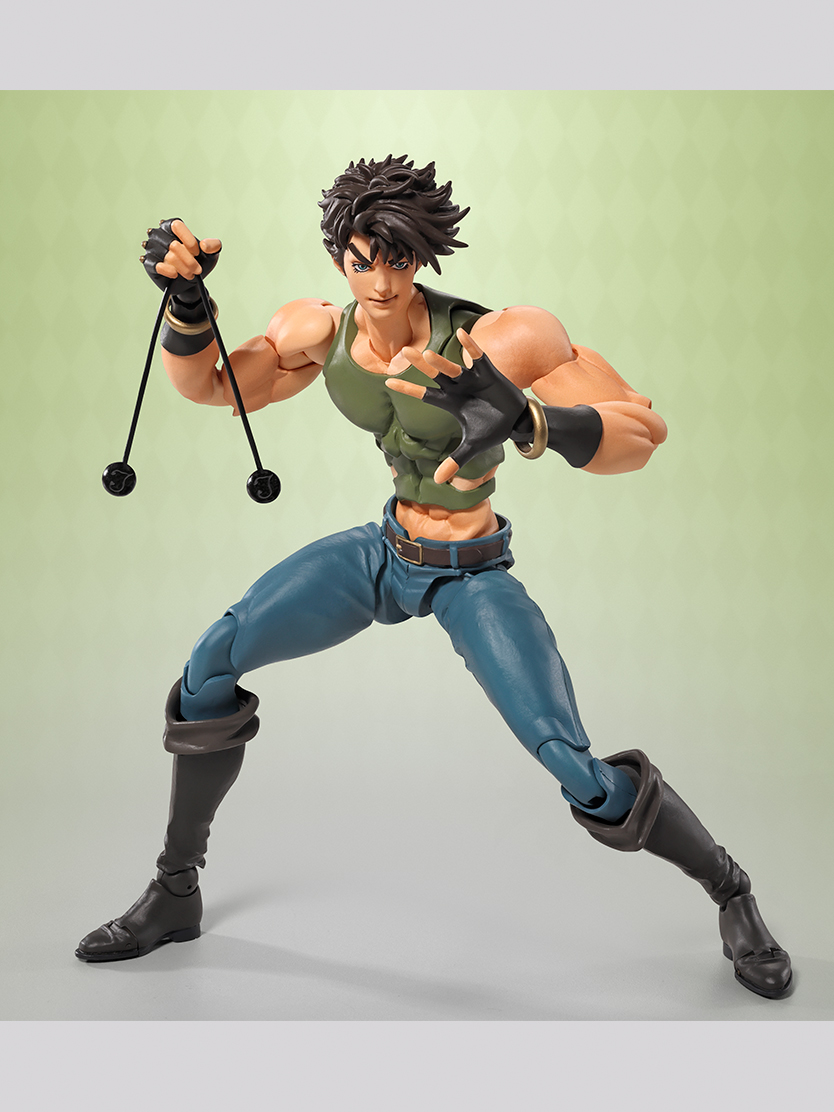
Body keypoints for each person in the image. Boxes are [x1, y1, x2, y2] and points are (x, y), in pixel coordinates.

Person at [76, 155, 791, 1000]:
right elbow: (215, 387)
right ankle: (175, 889)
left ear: (422, 256)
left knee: (575, 766)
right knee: (209, 666)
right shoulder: (318, 330)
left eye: (398, 260)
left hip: (470, 571)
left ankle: (730, 889)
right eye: (361, 261)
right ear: (338, 256)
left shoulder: (504, 339)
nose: (380, 282)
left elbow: (640, 433)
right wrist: (188, 307)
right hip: (385, 554)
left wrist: (532, 419)